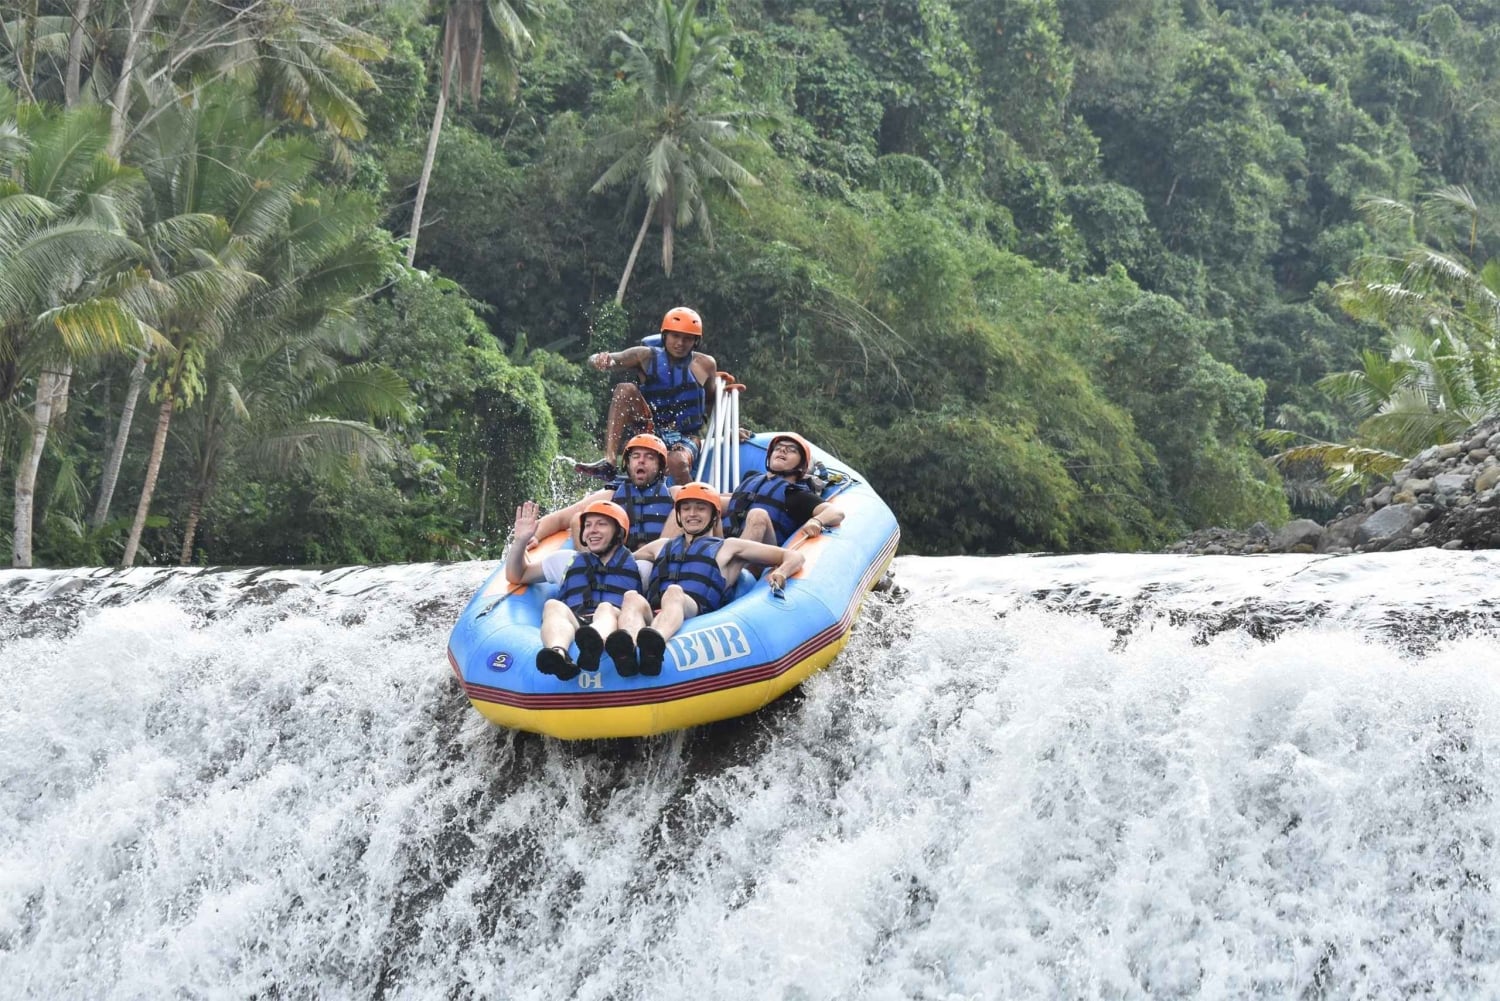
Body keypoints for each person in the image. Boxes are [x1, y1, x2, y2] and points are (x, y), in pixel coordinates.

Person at [606, 482, 805, 677]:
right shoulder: (661, 545)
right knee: (632, 597)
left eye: (700, 508)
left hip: (696, 613)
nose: (692, 514)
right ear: (679, 515)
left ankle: (654, 645)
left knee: (674, 592)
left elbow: (793, 556)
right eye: (686, 509)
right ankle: (627, 651)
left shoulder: (730, 547)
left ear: (714, 516)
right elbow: (617, 565)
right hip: (655, 611)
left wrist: (781, 572)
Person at [504, 498, 642, 681]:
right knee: (553, 605)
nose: (592, 530)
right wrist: (520, 541)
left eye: (601, 524)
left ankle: (594, 643)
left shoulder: (639, 565)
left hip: (615, 625)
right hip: (577, 622)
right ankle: (559, 655)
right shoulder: (566, 560)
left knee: (605, 608)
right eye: (588, 525)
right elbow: (516, 575)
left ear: (619, 532)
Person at [579, 306, 717, 484]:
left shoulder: (705, 364)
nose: (680, 343)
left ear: (696, 341)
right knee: (625, 389)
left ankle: (688, 500)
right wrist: (599, 360)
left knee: (676, 461)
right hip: (651, 429)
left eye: (687, 338)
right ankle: (609, 462)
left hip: (686, 436)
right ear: (664, 335)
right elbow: (603, 359)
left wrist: (729, 430)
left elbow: (713, 401)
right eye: (675, 336)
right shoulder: (644, 356)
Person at [528, 433, 681, 553]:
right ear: (627, 464)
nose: (641, 461)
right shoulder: (611, 495)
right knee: (577, 519)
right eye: (636, 456)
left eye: (649, 457)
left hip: (657, 565)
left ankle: (661, 565)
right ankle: (595, 576)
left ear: (660, 466)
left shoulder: (674, 494)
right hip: (619, 567)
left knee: (682, 508)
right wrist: (534, 536)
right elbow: (560, 518)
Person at [726, 432, 844, 546]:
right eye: (778, 448)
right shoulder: (751, 478)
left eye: (792, 450)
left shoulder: (795, 495)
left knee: (758, 515)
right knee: (709, 496)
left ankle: (732, 561)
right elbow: (729, 502)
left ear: (801, 466)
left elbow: (836, 513)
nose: (782, 450)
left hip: (759, 558)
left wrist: (817, 521)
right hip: (724, 545)